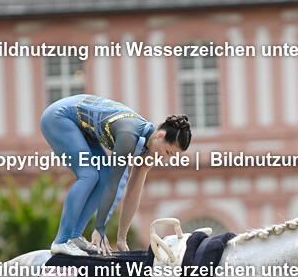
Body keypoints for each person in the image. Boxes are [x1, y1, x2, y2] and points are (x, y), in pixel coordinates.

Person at [40, 94, 192, 256]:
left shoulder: (149, 150)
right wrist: (100, 229)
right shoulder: (129, 135)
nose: (166, 159)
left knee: (102, 177)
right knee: (89, 175)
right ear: (160, 135)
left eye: (171, 156)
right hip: (59, 117)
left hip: (83, 128)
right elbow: (114, 184)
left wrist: (121, 238)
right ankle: (61, 241)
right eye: (168, 152)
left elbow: (133, 193)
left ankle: (75, 236)